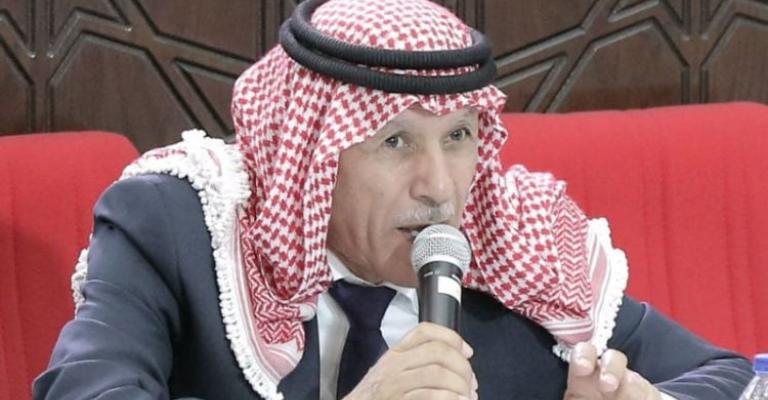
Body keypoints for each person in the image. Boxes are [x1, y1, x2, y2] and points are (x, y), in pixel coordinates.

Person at [34, 0, 753, 399]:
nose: (440, 188)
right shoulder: (183, 227)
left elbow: (727, 377)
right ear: (314, 154)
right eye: (395, 141)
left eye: (459, 136)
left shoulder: (524, 245)